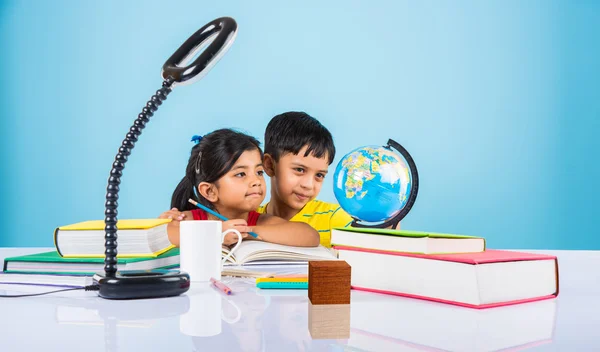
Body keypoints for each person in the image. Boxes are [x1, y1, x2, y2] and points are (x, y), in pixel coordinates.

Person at [160, 128, 319, 248]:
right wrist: (217, 232)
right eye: (241, 174)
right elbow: (164, 235)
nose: (256, 181)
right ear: (210, 191)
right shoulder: (189, 220)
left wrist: (246, 232)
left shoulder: (260, 221)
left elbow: (310, 236)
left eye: (259, 172)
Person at [257, 111, 355, 248]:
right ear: (269, 165)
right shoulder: (247, 218)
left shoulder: (335, 219)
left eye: (319, 175)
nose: (308, 185)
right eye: (299, 170)